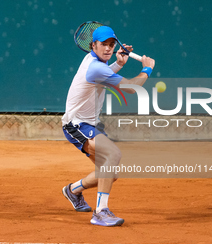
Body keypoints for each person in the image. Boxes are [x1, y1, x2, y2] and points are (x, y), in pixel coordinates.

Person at [61, 26, 155, 226]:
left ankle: (73, 190)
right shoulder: (94, 66)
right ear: (92, 45)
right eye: (103, 44)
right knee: (113, 155)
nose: (108, 49)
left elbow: (103, 77)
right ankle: (101, 212)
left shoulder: (96, 64)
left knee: (110, 173)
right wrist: (147, 69)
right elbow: (131, 88)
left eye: (112, 45)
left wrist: (118, 64)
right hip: (76, 124)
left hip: (90, 124)